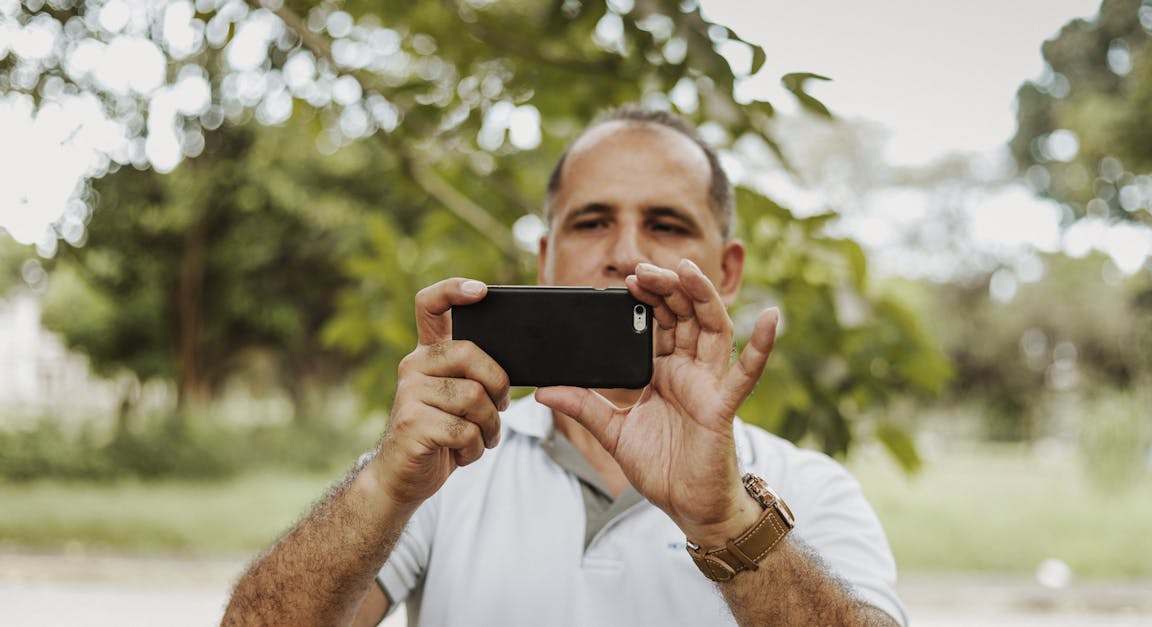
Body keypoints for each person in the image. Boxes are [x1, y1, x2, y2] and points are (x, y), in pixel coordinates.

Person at [222, 106, 906, 626]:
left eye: (666, 224)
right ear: (545, 259)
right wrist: (385, 485)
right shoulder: (447, 466)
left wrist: (727, 522)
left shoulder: (809, 490)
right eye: (592, 222)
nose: (626, 253)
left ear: (727, 271)